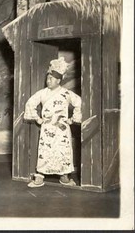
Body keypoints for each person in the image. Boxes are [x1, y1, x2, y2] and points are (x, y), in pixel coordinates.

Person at [24, 57, 82, 188]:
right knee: (45, 150)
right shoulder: (42, 93)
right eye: (47, 78)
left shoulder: (66, 93)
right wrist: (38, 118)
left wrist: (72, 119)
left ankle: (64, 176)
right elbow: (30, 103)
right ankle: (40, 175)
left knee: (63, 150)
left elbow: (79, 103)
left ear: (59, 80)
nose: (48, 81)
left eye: (51, 79)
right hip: (47, 127)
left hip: (62, 128)